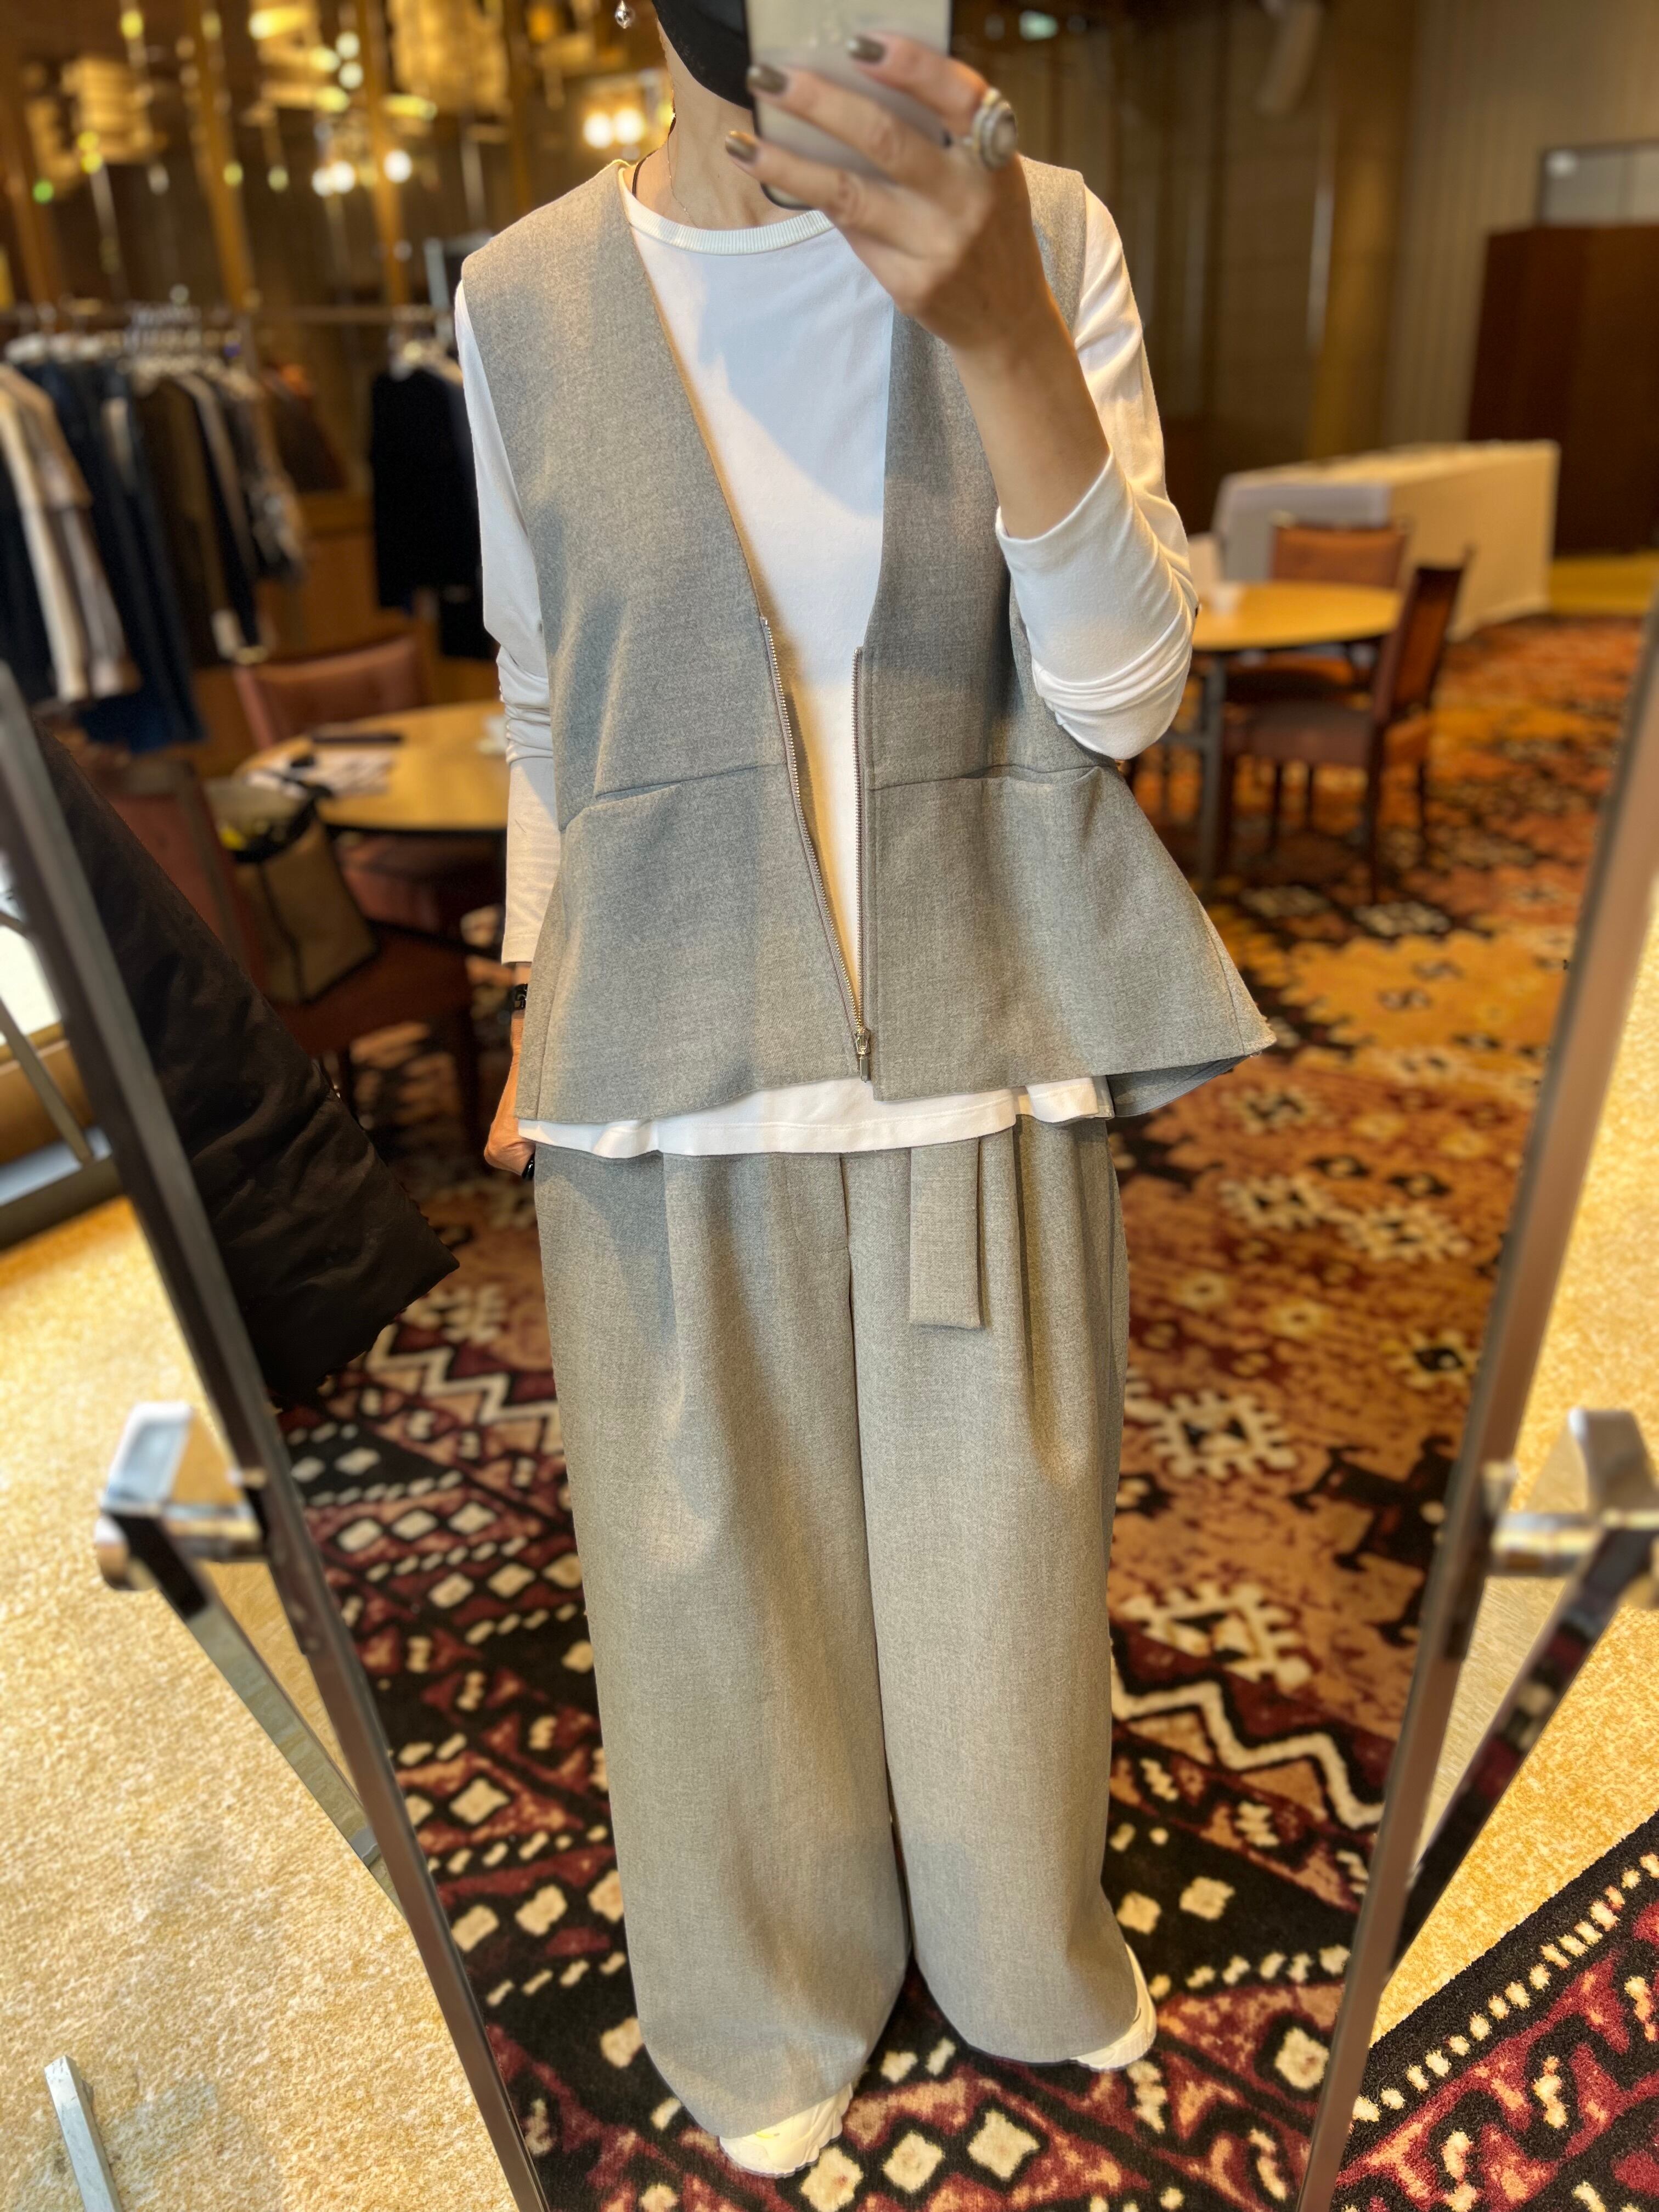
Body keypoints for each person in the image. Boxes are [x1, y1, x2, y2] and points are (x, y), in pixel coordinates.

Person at [460, 0, 1270, 2174]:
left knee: (1003, 1587)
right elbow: (544, 700)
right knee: (708, 1609)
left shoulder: (1050, 230)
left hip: (981, 1044)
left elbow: (1127, 701)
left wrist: (1001, 333)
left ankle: (1016, 1951)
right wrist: (540, 1001)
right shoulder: (519, 296)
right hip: (661, 1075)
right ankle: (764, 1998)